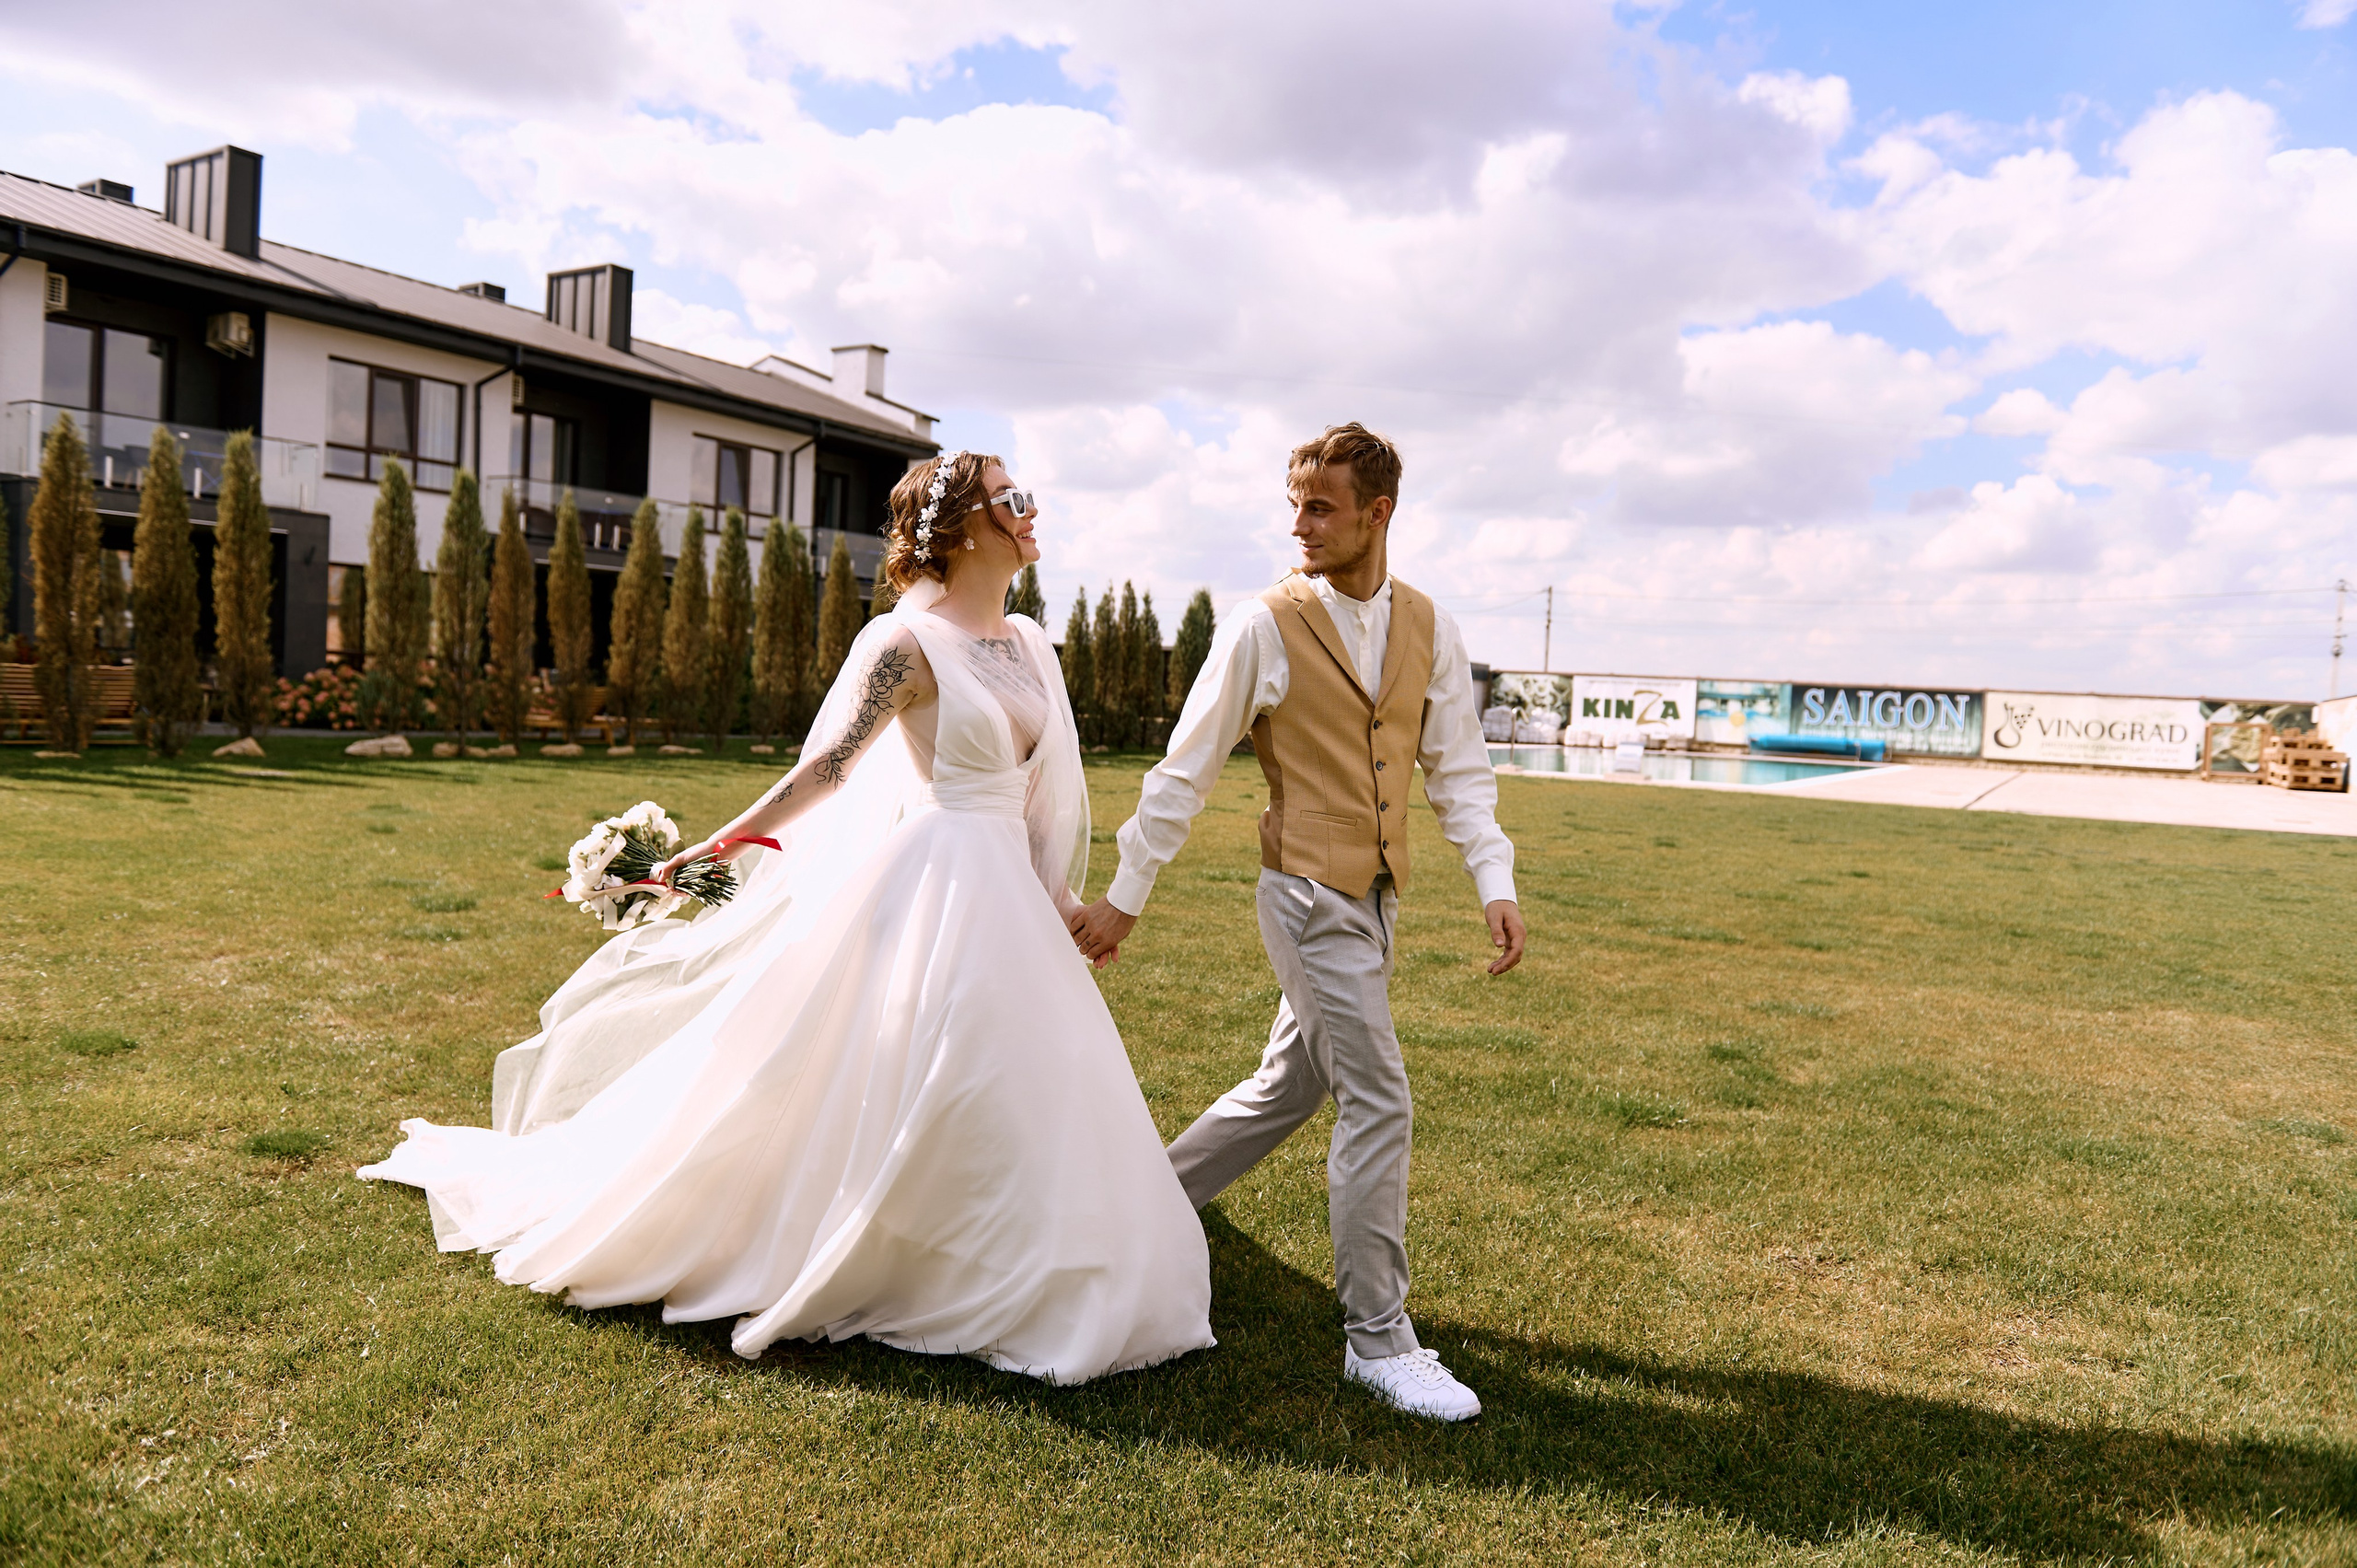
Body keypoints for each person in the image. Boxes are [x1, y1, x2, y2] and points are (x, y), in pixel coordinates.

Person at [359, 452, 1214, 1385]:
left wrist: (1064, 903)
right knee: (930, 1066)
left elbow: (1037, 799)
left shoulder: (1030, 643)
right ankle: (905, 1246)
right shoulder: (905, 645)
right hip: (937, 883)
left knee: (1029, 1073)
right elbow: (828, 768)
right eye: (1011, 498)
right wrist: (717, 847)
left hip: (1008, 886)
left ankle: (1030, 1246)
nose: (1030, 509)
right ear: (964, 527)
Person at [1068, 422, 1524, 1422]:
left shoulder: (1430, 626)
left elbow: (1458, 767)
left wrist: (1494, 878)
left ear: (1378, 513)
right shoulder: (1262, 626)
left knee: (1289, 1084)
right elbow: (1183, 770)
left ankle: (1140, 1203)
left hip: (1376, 897)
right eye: (1296, 506)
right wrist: (1125, 897)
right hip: (1307, 898)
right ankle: (1378, 1340)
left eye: (1322, 507)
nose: (1301, 525)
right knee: (1380, 1097)